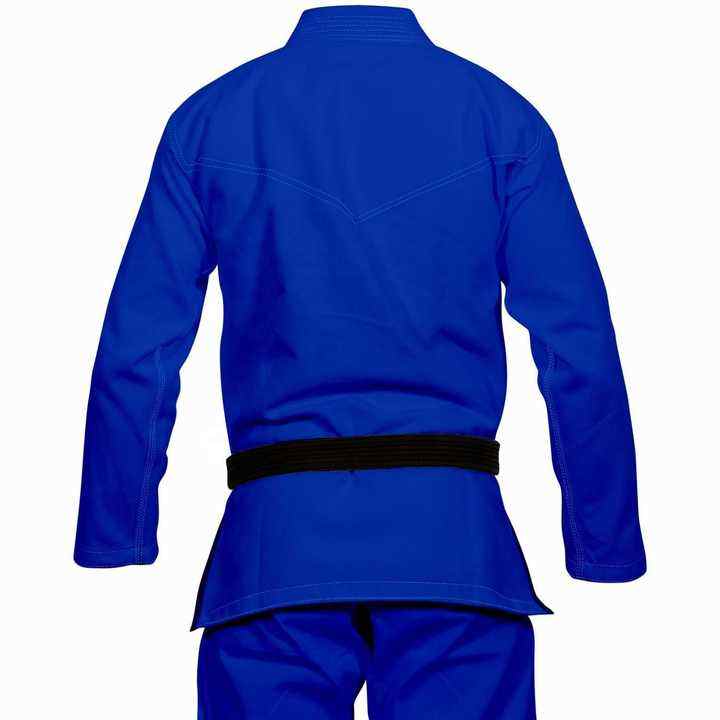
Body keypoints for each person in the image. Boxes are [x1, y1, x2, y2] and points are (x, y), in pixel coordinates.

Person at [74, 6, 646, 718]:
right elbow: (577, 342)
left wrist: (117, 529)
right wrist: (602, 541)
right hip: (454, 549)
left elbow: (140, 347)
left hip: (274, 554)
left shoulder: (213, 120)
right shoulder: (498, 119)